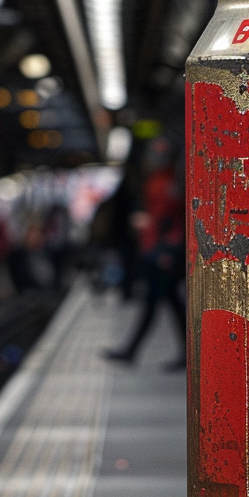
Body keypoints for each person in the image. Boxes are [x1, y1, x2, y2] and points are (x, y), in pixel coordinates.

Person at [103, 137, 186, 369]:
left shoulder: (163, 184)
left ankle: (131, 351)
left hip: (161, 255)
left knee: (154, 303)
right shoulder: (166, 182)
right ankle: (186, 354)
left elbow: (167, 221)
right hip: (161, 252)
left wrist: (155, 238)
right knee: (170, 303)